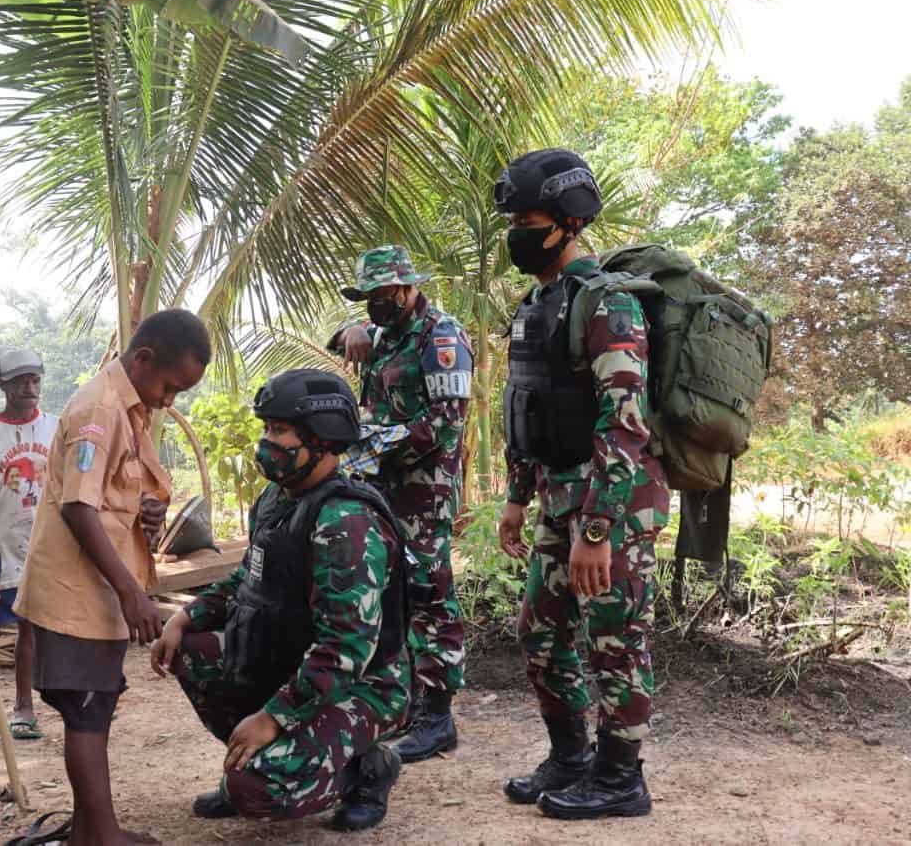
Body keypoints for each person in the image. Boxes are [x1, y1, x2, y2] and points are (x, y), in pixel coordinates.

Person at [151, 369, 409, 832]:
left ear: (321, 438)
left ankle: (367, 770)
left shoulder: (345, 520)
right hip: (294, 663)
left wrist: (273, 717)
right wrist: (189, 616)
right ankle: (261, 756)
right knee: (189, 651)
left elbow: (345, 651)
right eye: (266, 428)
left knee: (255, 789)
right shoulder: (277, 499)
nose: (266, 442)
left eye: (278, 430)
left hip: (361, 687)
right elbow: (249, 576)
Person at [492, 148, 668, 819]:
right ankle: (571, 757)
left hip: (613, 503)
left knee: (615, 641)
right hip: (555, 496)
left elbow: (624, 425)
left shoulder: (608, 302)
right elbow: (524, 404)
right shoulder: (536, 303)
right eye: (512, 219)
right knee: (541, 634)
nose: (517, 232)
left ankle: (621, 778)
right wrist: (515, 496)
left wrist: (596, 529)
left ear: (567, 222)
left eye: (528, 218)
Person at [15, 309, 210, 846]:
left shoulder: (132, 408)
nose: (170, 400)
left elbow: (113, 495)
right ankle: (99, 839)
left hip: (95, 591)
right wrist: (130, 593)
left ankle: (91, 830)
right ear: (144, 359)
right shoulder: (99, 409)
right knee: (85, 709)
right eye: (170, 386)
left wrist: (148, 511)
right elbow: (78, 508)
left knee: (96, 705)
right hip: (76, 592)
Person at [328, 244, 471, 763]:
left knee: (429, 591)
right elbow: (346, 343)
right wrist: (351, 330)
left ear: (408, 288)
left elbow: (443, 423)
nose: (374, 304)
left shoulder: (441, 335)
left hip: (423, 489)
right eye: (367, 297)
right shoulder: (386, 333)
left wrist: (372, 448)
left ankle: (439, 715)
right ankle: (410, 702)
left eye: (381, 294)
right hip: (386, 488)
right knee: (397, 594)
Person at [0, 348, 60, 740]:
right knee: (26, 628)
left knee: (66, 627)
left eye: (35, 379)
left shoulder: (58, 427)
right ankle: (23, 706)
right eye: (20, 380)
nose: (29, 387)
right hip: (9, 547)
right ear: (2, 384)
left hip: (55, 543)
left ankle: (79, 699)